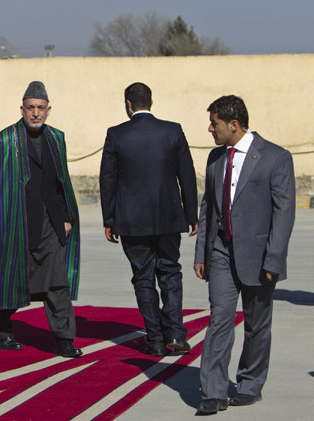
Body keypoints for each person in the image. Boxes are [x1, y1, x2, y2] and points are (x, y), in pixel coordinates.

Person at [0, 81, 82, 358]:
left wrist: (66, 218)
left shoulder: (57, 138)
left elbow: (62, 183)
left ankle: (64, 338)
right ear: (21, 109)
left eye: (40, 108)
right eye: (30, 108)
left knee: (58, 282)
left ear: (48, 110)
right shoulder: (5, 141)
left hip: (50, 223)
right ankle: (2, 332)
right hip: (15, 224)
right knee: (9, 278)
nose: (35, 113)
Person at [194, 95, 295, 415]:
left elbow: (284, 212)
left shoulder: (275, 157)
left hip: (260, 255)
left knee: (256, 324)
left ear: (234, 125)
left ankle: (250, 384)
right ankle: (213, 391)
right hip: (221, 251)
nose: (210, 128)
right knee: (220, 317)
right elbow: (208, 207)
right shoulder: (215, 158)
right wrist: (202, 253)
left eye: (215, 123)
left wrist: (275, 257)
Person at [99, 82, 198, 357]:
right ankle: (176, 334)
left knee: (143, 277)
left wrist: (109, 219)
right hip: (168, 217)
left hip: (131, 220)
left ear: (128, 104)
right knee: (170, 272)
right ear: (151, 103)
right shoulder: (173, 131)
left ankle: (154, 339)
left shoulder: (116, 135)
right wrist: (192, 214)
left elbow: (108, 180)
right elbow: (186, 175)